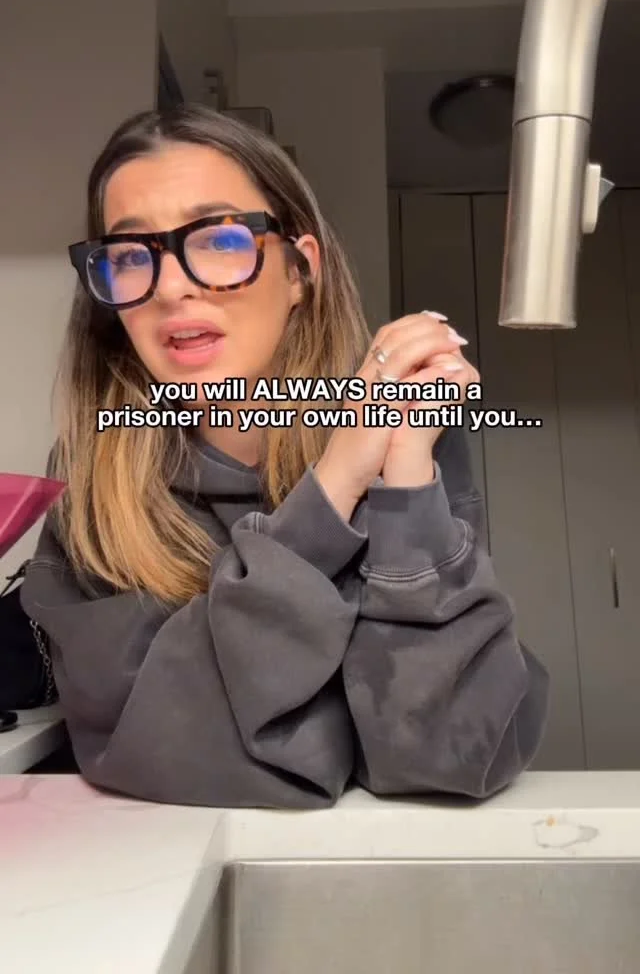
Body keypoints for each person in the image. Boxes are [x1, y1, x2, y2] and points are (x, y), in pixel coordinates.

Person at [20, 104, 549, 809]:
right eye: (129, 256)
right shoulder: (93, 477)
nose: (171, 287)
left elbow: (449, 753)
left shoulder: (410, 436)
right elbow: (151, 750)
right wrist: (332, 489)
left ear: (301, 270)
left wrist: (404, 484)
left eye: (219, 239)